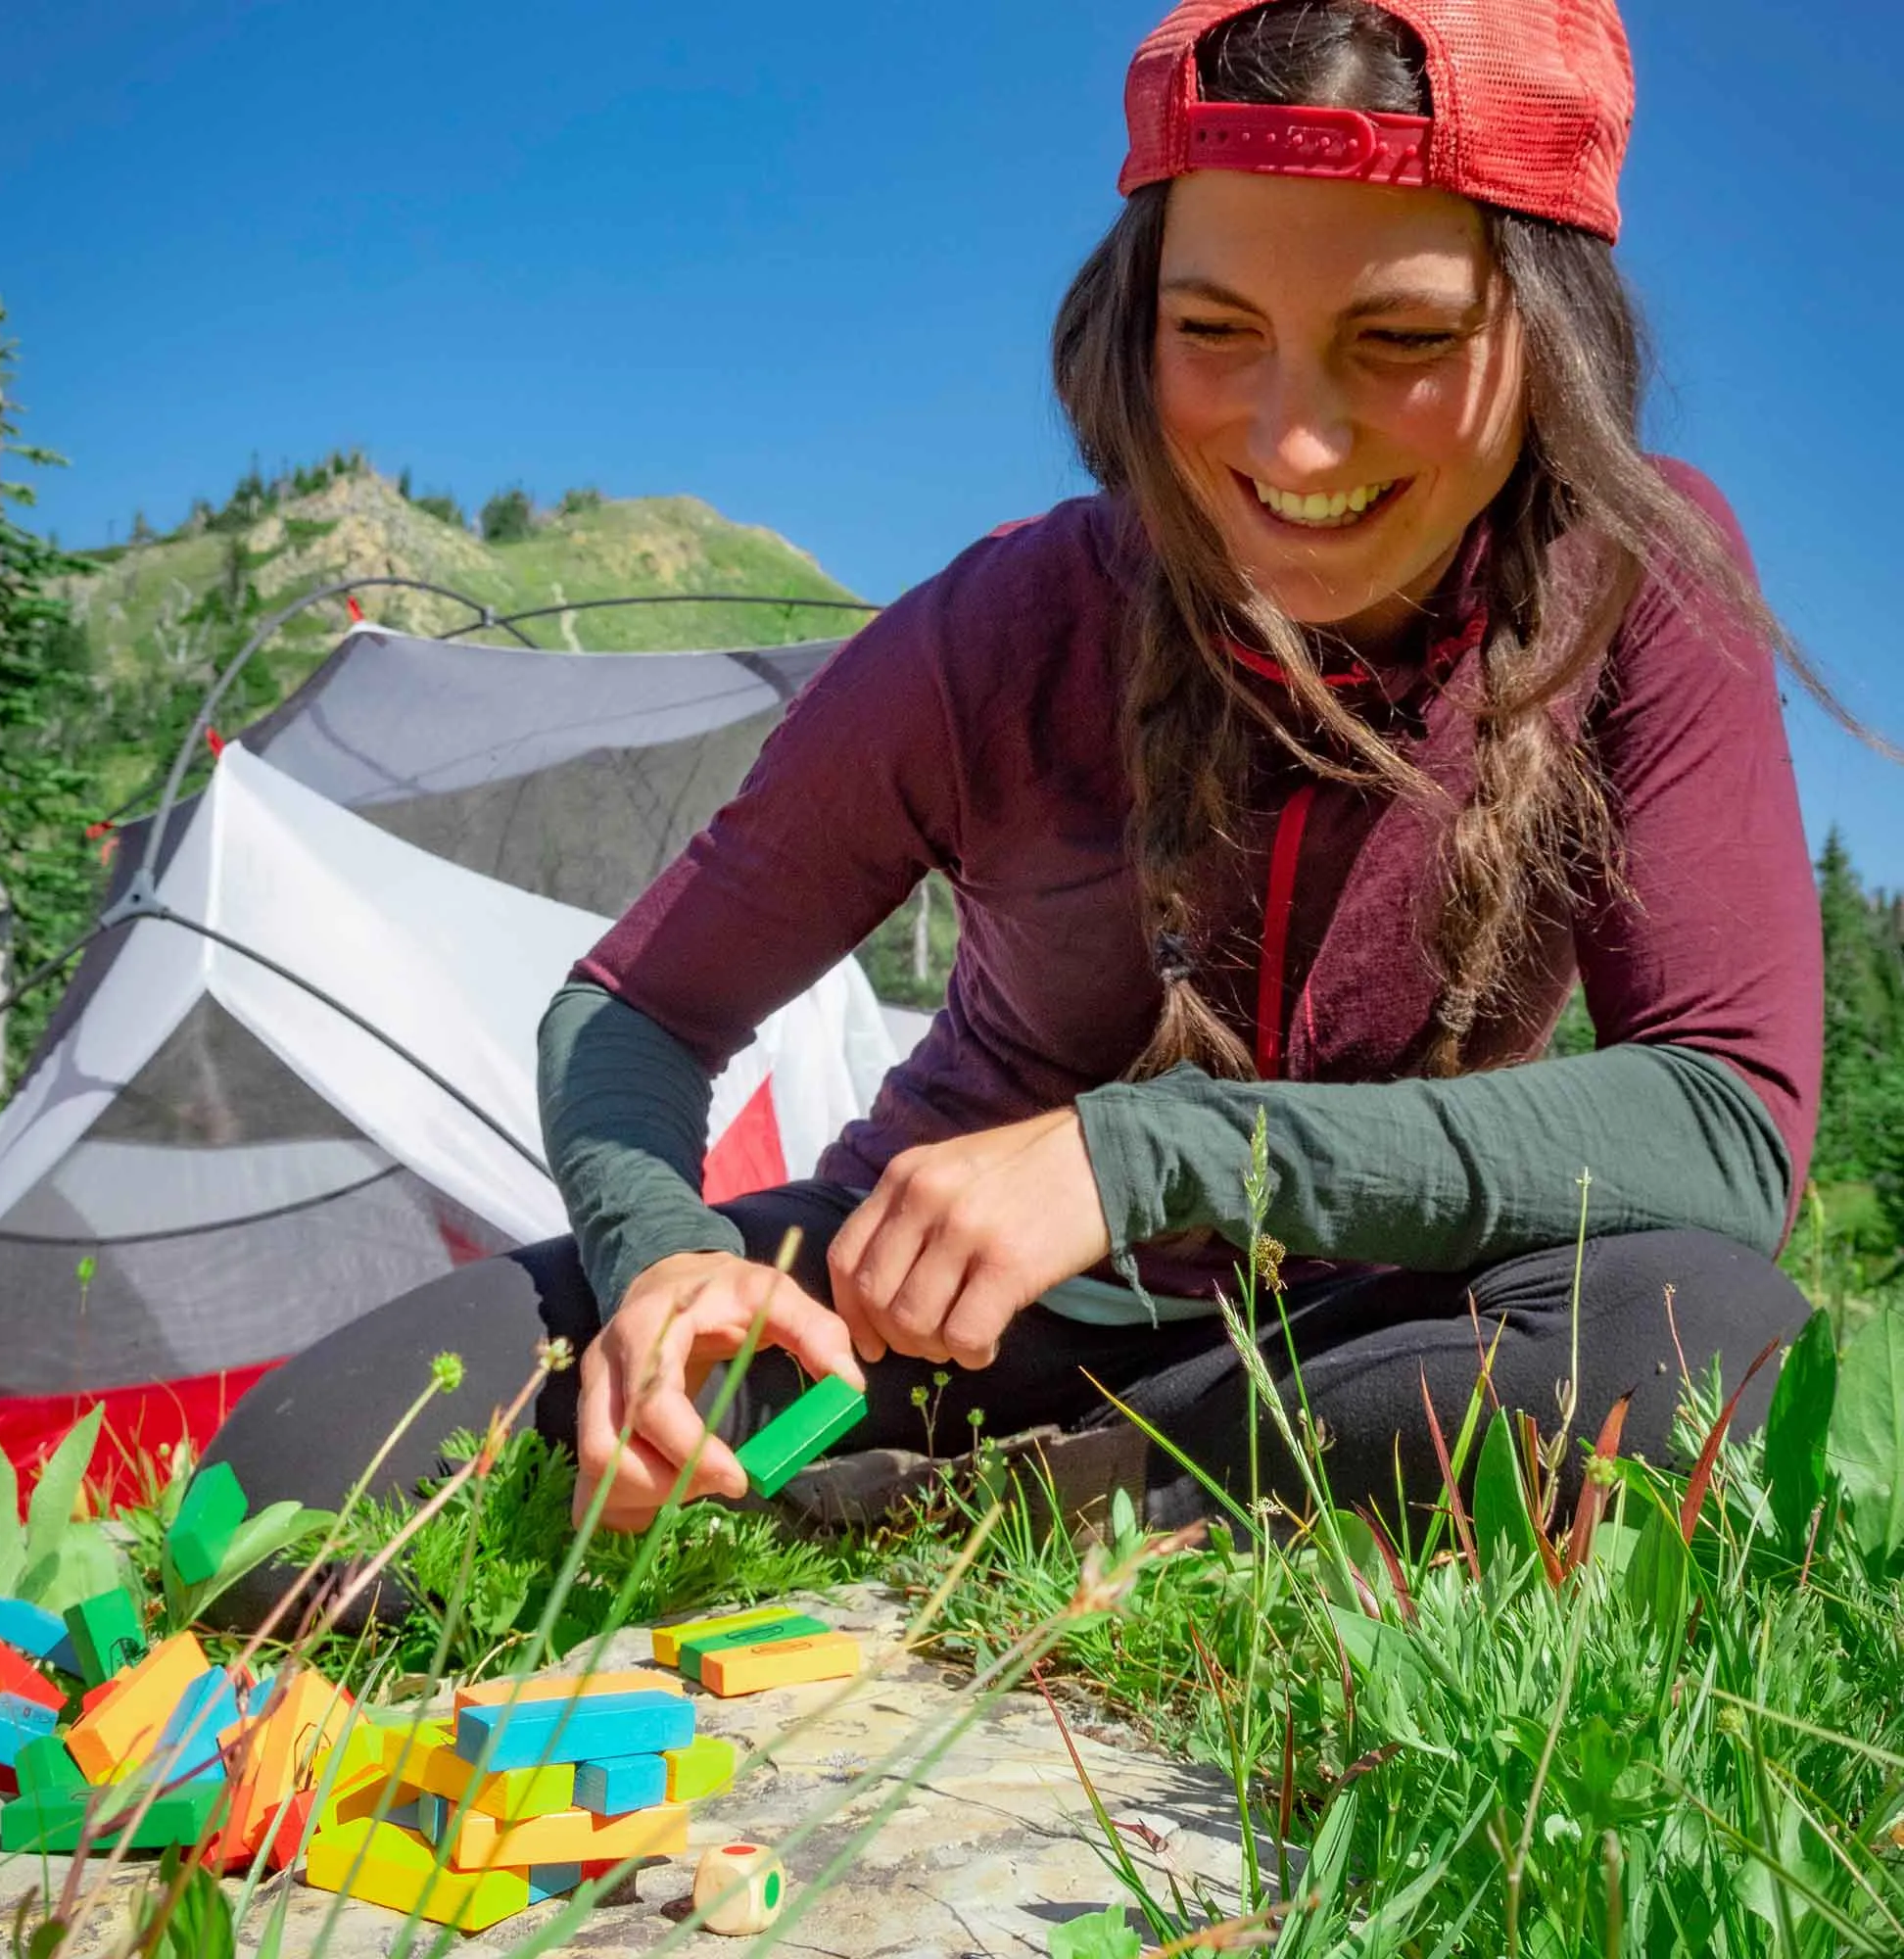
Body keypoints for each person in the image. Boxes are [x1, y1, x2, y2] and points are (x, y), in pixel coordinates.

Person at [207, 0, 1848, 1555]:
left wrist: (1149, 1154)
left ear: (1551, 340)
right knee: (304, 1458)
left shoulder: (1641, 575)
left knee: (1692, 1332)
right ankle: (1067, 1482)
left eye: (1400, 337)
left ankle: (1007, 1495)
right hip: (920, 1320)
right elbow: (634, 1012)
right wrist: (674, 1265)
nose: (1295, 443)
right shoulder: (1003, 623)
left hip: (1373, 1313)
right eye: (1215, 331)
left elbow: (1725, 1128)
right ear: (1132, 324)